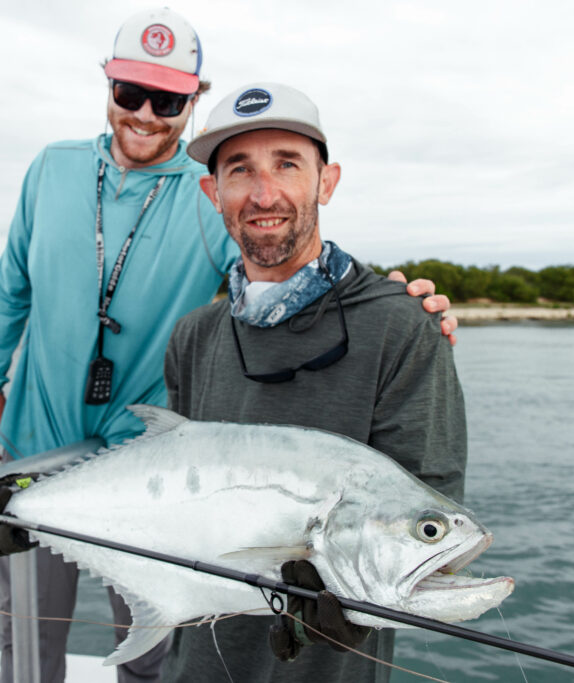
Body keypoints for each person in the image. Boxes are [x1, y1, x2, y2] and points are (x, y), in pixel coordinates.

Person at [0, 9, 455, 683]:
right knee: (27, 642)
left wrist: (394, 305)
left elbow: (285, 249)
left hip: (139, 460)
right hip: (36, 437)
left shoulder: (211, 207)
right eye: (129, 92)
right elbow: (11, 281)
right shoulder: (52, 171)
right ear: (108, 87)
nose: (144, 112)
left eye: (167, 99)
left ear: (191, 100)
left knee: (145, 644)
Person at [159, 83, 467, 682]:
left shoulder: (404, 326)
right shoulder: (192, 337)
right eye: (240, 170)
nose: (263, 193)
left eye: (287, 164)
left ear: (327, 182)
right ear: (212, 192)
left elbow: (430, 524)